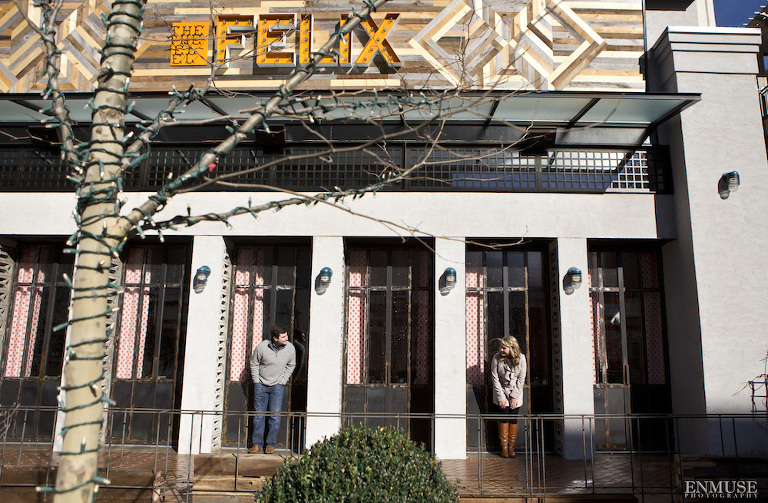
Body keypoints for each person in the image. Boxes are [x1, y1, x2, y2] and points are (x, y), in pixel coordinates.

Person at [248, 325, 296, 454]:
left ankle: (271, 444)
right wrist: (256, 381)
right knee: (259, 415)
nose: (287, 338)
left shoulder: (290, 349)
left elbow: (291, 365)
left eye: (286, 335)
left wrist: (283, 381)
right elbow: (254, 363)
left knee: (275, 415)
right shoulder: (262, 347)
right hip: (261, 385)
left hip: (277, 386)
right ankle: (257, 444)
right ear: (275, 338)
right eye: (283, 337)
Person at [490, 336, 527, 458]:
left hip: (515, 393)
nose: (501, 350)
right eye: (501, 347)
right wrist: (501, 396)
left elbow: (521, 378)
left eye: (504, 348)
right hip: (501, 392)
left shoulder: (521, 358)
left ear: (512, 348)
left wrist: (515, 396)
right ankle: (504, 447)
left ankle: (512, 447)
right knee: (503, 417)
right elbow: (495, 378)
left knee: (513, 418)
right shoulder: (496, 358)